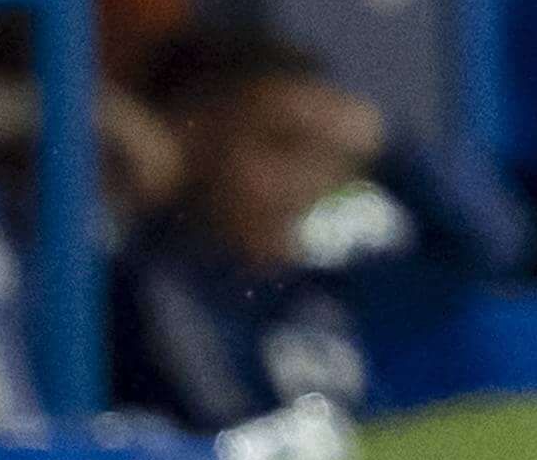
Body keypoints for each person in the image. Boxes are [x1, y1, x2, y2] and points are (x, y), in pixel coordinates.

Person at [107, 29, 382, 431]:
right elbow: (223, 425)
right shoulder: (157, 285)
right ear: (195, 145)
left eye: (318, 148)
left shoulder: (334, 277)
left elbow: (497, 253)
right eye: (280, 145)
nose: (301, 177)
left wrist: (391, 146)